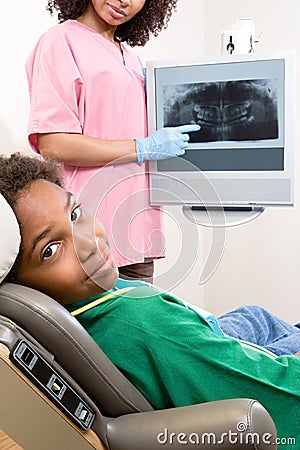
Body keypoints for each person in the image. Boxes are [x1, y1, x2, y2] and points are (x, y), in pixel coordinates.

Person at [0, 153, 299, 446]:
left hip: (180, 340)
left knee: (255, 316)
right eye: (51, 250)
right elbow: (281, 398)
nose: (90, 243)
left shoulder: (75, 303)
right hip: (191, 352)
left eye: (75, 214)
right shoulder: (146, 323)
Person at [25, 0, 200, 284]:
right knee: (94, 327)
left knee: (140, 325)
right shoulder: (60, 41)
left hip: (138, 225)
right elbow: (54, 144)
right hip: (88, 228)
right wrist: (141, 147)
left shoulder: (131, 58)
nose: (124, 1)